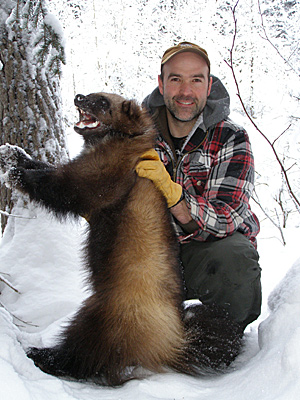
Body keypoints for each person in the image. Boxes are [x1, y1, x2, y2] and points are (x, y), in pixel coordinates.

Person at [136, 41, 261, 331]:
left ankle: (220, 336)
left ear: (209, 85)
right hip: (148, 254)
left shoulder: (231, 137)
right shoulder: (137, 134)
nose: (185, 92)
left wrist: (174, 197)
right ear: (161, 84)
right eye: (176, 79)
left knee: (235, 257)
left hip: (205, 256)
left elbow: (228, 216)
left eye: (196, 80)